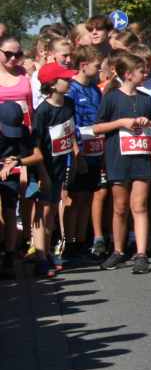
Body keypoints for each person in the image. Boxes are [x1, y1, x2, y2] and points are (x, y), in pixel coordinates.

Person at [93, 53, 151, 274]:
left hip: (141, 159)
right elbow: (97, 128)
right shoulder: (111, 97)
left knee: (139, 206)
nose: (146, 75)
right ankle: (118, 251)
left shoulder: (146, 99)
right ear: (128, 74)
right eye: (142, 71)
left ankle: (141, 254)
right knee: (120, 207)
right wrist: (120, 123)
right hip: (118, 158)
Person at [31, 66, 77, 275]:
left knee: (51, 210)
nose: (70, 81)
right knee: (42, 211)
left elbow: (70, 132)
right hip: (44, 169)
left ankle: (48, 253)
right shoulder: (42, 112)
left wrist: (74, 157)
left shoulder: (68, 104)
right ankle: (40, 258)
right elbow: (36, 146)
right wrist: (42, 173)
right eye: (65, 79)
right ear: (51, 85)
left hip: (59, 167)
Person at [67, 46, 107, 261]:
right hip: (78, 153)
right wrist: (76, 154)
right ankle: (69, 244)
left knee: (87, 198)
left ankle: (81, 243)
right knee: (74, 199)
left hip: (95, 151)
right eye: (97, 66)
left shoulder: (95, 90)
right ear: (83, 66)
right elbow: (69, 125)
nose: (100, 71)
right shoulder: (71, 90)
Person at [0, 102, 43, 278]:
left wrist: (18, 162)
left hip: (10, 173)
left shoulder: (23, 131)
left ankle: (9, 258)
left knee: (9, 211)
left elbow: (37, 156)